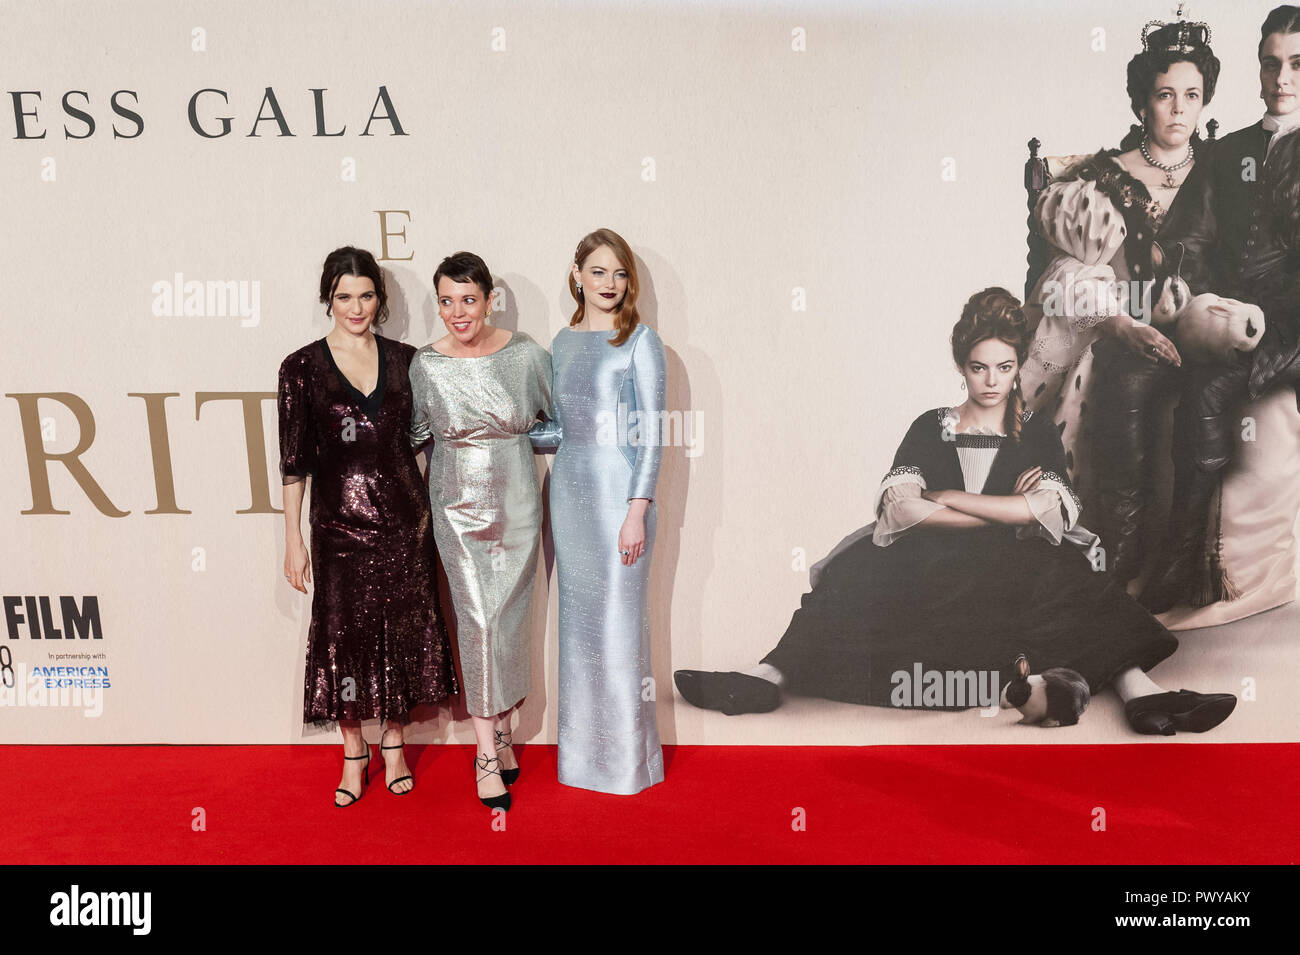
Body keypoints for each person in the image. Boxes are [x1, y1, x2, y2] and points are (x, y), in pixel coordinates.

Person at [674, 288, 1236, 736]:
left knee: (1077, 580)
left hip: (1009, 573)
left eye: (1004, 368)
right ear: (960, 366)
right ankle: (765, 676)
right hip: (931, 568)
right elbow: (898, 511)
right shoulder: (931, 426)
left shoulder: (1034, 431)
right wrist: (999, 511)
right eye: (978, 368)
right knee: (854, 575)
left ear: (1018, 366)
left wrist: (952, 498)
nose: (991, 383)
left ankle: (1142, 695)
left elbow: (1050, 512)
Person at [1020, 13, 1219, 586]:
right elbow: (1068, 273)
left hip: (1206, 325)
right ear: (1142, 105)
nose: (1179, 110)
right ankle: (1121, 563)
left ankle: (1185, 570)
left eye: (1192, 96)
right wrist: (1125, 325)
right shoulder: (1103, 182)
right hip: (1123, 331)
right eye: (1165, 96)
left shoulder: (1220, 172)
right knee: (1125, 393)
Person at [278, 246, 458, 807]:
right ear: (327, 300)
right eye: (343, 297)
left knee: (399, 634)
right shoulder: (301, 368)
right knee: (343, 642)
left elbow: (434, 439)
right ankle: (354, 753)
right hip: (337, 530)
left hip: (407, 523)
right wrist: (293, 539)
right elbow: (293, 462)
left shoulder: (410, 360)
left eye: (366, 295)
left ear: (380, 299)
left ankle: (395, 747)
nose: (356, 307)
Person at [1140, 4, 1300, 612]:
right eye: (1270, 64)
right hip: (1228, 320)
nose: (1281, 79)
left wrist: (1265, 324)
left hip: (1292, 327)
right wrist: (1190, 292)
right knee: (1142, 381)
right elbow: (1191, 241)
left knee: (1208, 391)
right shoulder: (1229, 150)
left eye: (1296, 64)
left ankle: (1183, 563)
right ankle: (1141, 559)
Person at [409, 251, 552, 811]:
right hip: (456, 507)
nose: (457, 313)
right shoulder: (427, 363)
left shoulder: (526, 354)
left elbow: (555, 419)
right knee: (478, 620)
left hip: (517, 502)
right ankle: (485, 756)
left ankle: (503, 736)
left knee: (512, 620)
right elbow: (418, 431)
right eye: (446, 301)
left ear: (490, 299)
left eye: (468, 300)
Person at [530, 228, 667, 794]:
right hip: (569, 494)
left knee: (618, 629)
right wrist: (501, 433)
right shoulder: (560, 343)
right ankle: (582, 762)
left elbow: (652, 434)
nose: (609, 284)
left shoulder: (640, 341)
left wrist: (637, 510)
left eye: (619, 273)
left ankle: (627, 765)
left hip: (621, 496)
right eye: (599, 271)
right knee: (579, 630)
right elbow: (562, 429)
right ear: (577, 273)